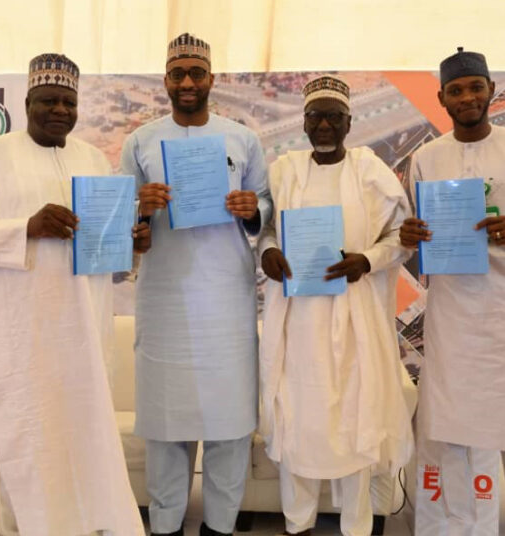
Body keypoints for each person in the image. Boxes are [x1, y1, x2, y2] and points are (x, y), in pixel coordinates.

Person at [0, 53, 144, 536]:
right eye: (49, 100)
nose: (60, 110)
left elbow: (105, 257)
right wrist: (27, 227)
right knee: (24, 444)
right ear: (27, 101)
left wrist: (130, 244)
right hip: (19, 338)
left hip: (82, 336)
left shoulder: (93, 159)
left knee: (78, 443)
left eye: (69, 102)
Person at [120, 33, 272, 536]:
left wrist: (253, 210)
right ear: (166, 80)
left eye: (196, 73)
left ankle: (220, 527)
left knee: (230, 428)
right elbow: (121, 226)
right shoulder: (140, 141)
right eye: (178, 73)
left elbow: (267, 211)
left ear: (212, 79)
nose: (187, 82)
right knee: (166, 429)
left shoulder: (242, 138)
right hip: (164, 300)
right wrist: (139, 208)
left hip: (227, 300)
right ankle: (164, 526)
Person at [257, 75, 415, 536]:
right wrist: (268, 251)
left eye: (333, 117)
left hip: (355, 319)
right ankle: (297, 523)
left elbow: (398, 240)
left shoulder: (371, 172)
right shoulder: (283, 170)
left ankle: (356, 527)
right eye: (315, 117)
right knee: (299, 421)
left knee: (355, 420)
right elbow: (267, 228)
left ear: (350, 121)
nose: (323, 125)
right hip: (299, 322)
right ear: (303, 123)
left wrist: (366, 260)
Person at [400, 48, 505, 534]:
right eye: (457, 90)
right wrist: (414, 238)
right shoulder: (426, 157)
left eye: (475, 87)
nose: (467, 97)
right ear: (442, 99)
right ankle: (455, 522)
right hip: (450, 314)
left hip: (502, 309)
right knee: (451, 424)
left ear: (491, 90)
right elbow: (415, 247)